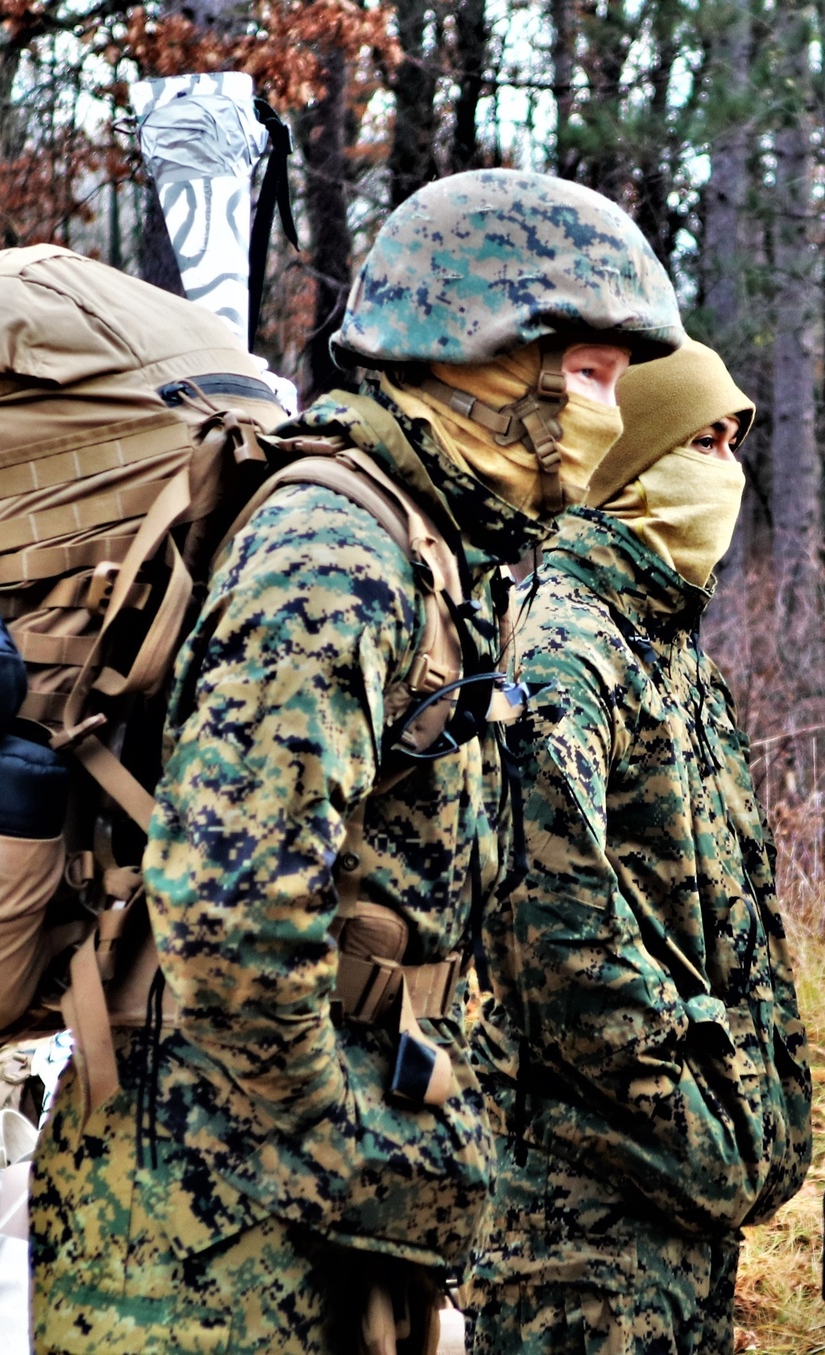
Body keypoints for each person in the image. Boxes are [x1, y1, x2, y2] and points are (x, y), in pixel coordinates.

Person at [29, 169, 684, 1355]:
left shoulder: (438, 542)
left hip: (299, 1183)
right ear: (487, 358)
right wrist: (357, 1157)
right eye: (590, 373)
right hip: (201, 1218)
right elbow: (229, 907)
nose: (609, 407)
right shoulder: (336, 548)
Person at [467, 337, 813, 1355]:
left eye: (731, 441)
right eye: (697, 440)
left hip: (672, 1215)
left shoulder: (669, 651)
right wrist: (697, 1123)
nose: (725, 468)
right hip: (577, 1226)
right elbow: (549, 932)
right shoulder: (563, 646)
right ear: (627, 459)